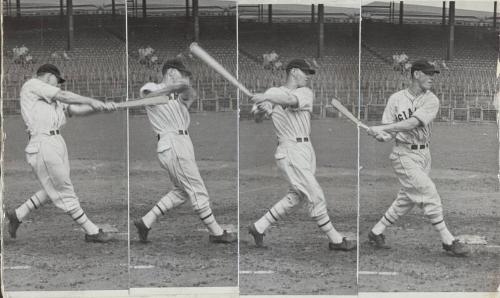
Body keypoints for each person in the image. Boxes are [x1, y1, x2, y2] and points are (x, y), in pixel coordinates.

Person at [247, 58, 356, 251]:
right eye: (305, 72)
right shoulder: (272, 93)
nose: (307, 77)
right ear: (294, 71)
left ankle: (259, 227)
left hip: (306, 150)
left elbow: (289, 100)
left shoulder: (304, 92)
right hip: (289, 150)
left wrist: (266, 99)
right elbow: (256, 118)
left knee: (296, 196)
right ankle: (335, 239)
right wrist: (262, 110)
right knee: (315, 194)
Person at [366, 60, 469, 256]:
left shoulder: (431, 100)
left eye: (433, 74)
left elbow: (412, 123)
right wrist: (381, 135)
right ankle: (447, 240)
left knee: (407, 198)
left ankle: (376, 231)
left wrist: (382, 129)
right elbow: (388, 131)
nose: (432, 78)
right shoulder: (395, 99)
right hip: (403, 154)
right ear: (416, 74)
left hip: (424, 155)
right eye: (428, 74)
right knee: (428, 192)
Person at [6, 64, 117, 243]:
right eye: (58, 80)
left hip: (57, 142)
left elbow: (75, 110)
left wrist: (101, 107)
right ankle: (92, 231)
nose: (59, 85)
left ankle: (17, 215)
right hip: (42, 142)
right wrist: (90, 100)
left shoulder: (54, 99)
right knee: (64, 189)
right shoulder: (32, 85)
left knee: (54, 188)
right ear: (49, 76)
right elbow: (65, 95)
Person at [133, 59, 236, 244]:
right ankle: (216, 232)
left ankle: (145, 222)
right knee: (197, 189)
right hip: (171, 142)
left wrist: (181, 86)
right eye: (183, 75)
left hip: (183, 143)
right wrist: (173, 88)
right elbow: (151, 95)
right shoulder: (150, 87)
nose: (187, 79)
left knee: (182, 191)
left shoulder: (181, 96)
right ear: (171, 72)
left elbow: (190, 94)